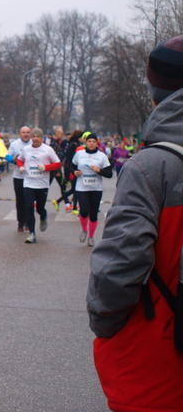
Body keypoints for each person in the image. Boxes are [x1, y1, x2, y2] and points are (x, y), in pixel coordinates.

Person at [87, 35, 183, 412]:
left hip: (163, 357)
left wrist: (104, 321)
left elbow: (121, 264)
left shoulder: (152, 167)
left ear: (154, 90)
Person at [17, 128, 61, 244]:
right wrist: (21, 166)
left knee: (40, 208)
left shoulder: (48, 150)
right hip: (28, 183)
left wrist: (46, 167)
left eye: (38, 137)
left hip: (42, 184)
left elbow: (58, 163)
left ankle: (43, 215)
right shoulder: (26, 149)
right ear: (31, 138)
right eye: (34, 136)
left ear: (42, 138)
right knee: (28, 207)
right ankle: (32, 233)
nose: (35, 139)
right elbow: (20, 159)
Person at [72, 133, 112, 246]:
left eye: (94, 141)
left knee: (93, 214)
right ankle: (84, 230)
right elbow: (71, 166)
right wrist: (74, 172)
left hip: (96, 188)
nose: (91, 143)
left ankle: (91, 236)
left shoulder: (102, 156)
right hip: (81, 187)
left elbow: (109, 174)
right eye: (89, 141)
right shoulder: (79, 154)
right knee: (84, 211)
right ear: (86, 142)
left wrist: (99, 171)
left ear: (97, 143)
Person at [6, 125, 31, 232]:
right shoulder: (14, 144)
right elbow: (7, 156)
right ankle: (20, 222)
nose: (25, 134)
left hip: (31, 177)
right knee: (20, 200)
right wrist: (13, 159)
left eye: (27, 132)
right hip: (18, 176)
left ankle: (28, 222)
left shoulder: (33, 143)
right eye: (23, 132)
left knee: (29, 201)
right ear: (20, 133)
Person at [48, 126, 69, 212]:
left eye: (61, 133)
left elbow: (63, 154)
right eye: (58, 133)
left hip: (58, 167)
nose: (60, 134)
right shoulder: (52, 143)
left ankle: (67, 204)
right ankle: (37, 201)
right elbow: (53, 155)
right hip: (52, 168)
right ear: (55, 133)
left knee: (63, 186)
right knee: (46, 186)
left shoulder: (64, 142)